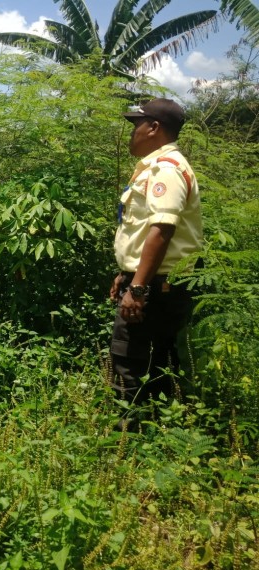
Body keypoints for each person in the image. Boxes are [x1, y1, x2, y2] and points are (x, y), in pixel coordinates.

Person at [109, 98, 203, 425]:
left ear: (154, 128)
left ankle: (126, 439)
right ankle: (159, 428)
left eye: (135, 126)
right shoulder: (156, 167)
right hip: (151, 279)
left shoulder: (166, 169)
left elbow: (162, 230)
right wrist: (126, 273)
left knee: (130, 360)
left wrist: (137, 288)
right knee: (156, 361)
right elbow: (143, 232)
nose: (131, 133)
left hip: (154, 285)